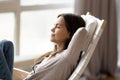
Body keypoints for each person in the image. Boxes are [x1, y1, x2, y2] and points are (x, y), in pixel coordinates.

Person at [0, 13, 87, 80]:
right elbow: (31, 76)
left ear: (70, 33)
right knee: (6, 44)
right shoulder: (54, 56)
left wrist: (88, 21)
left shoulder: (67, 57)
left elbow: (82, 32)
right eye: (54, 25)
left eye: (58, 27)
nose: (52, 29)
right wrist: (9, 69)